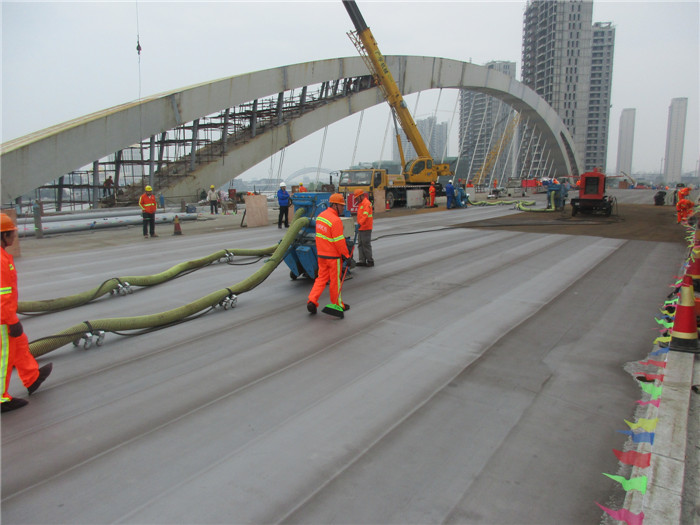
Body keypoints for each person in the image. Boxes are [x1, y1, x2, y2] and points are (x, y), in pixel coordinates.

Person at [1, 213, 53, 413]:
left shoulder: (4, 256)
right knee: (4, 356)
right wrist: (11, 320)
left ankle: (32, 379)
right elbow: (2, 294)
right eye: (11, 233)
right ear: (3, 236)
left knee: (20, 344)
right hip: (3, 318)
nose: (14, 237)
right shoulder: (0, 260)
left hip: (5, 315)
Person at [307, 193, 351, 319]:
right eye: (341, 206)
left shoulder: (320, 217)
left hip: (321, 255)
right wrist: (346, 256)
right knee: (335, 281)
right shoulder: (335, 220)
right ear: (335, 205)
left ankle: (312, 301)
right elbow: (339, 241)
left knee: (320, 279)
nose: (343, 208)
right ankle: (338, 304)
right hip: (333, 257)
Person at [354, 189, 374, 267]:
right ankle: (362, 260)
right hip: (361, 227)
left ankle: (370, 260)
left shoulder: (366, 203)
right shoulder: (361, 203)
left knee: (366, 244)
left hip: (366, 227)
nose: (356, 200)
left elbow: (365, 215)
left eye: (356, 198)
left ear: (361, 196)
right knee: (360, 244)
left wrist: (360, 223)